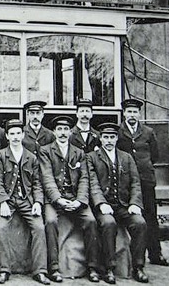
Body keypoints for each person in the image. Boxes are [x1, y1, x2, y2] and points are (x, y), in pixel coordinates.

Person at [39, 116, 99, 283]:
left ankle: (93, 267)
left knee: (91, 220)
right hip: (54, 200)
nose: (63, 133)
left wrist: (79, 200)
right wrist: (58, 199)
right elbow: (47, 177)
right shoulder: (45, 151)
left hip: (75, 198)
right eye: (59, 129)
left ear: (70, 132)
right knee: (50, 221)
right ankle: (54, 268)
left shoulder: (79, 153)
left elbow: (84, 178)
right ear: (54, 132)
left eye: (66, 129)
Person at [87, 122, 149, 284]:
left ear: (116, 139)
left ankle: (138, 267)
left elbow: (135, 182)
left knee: (140, 223)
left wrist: (135, 203)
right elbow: (93, 184)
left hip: (123, 206)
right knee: (108, 224)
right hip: (103, 206)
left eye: (112, 137)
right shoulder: (92, 157)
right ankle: (109, 268)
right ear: (100, 139)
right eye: (105, 137)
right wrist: (100, 203)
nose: (109, 140)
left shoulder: (126, 157)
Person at [0, 119, 50, 285]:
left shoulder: (31, 157)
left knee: (39, 227)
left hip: (27, 200)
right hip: (7, 201)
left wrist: (38, 202)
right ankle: (3, 270)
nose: (16, 137)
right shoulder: (0, 156)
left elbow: (37, 183)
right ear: (7, 136)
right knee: (2, 227)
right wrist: (2, 201)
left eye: (18, 133)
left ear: (23, 135)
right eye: (12, 134)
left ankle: (40, 271)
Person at [116, 98, 169, 266]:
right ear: (124, 113)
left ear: (139, 114)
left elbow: (155, 156)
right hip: (126, 182)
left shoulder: (148, 132)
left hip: (146, 181)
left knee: (151, 217)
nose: (132, 115)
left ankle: (155, 254)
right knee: (130, 217)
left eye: (135, 112)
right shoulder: (118, 133)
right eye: (129, 111)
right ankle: (129, 256)